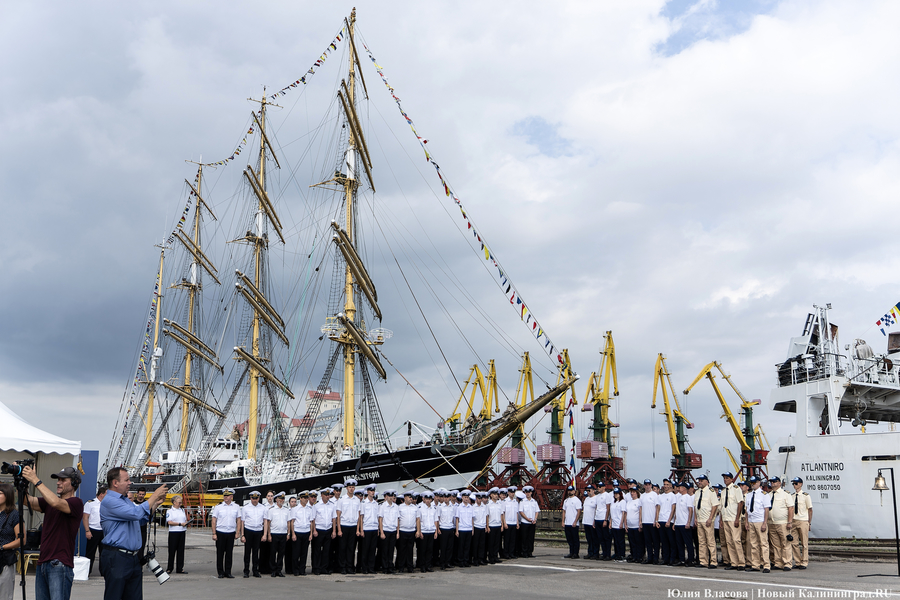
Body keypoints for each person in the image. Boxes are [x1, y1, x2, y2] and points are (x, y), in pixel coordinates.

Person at [99, 467, 167, 600]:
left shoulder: (124, 500)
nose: (130, 482)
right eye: (127, 480)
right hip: (117, 557)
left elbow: (140, 519)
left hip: (132, 558)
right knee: (115, 596)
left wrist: (155, 505)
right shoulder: (110, 501)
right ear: (115, 483)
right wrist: (154, 496)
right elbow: (135, 513)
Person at [21, 465, 84, 600]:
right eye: (58, 480)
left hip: (59, 564)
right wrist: (22, 482)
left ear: (74, 483)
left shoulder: (76, 503)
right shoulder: (50, 502)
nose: (58, 482)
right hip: (42, 562)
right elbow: (26, 501)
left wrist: (35, 480)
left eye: (62, 480)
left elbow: (56, 503)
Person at [211, 488, 241, 579]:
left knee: (229, 553)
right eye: (224, 495)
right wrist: (214, 533)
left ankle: (228, 572)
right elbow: (214, 520)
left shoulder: (236, 507)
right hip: (220, 532)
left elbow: (239, 520)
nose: (225, 497)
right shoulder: (218, 507)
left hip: (231, 532)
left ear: (231, 496)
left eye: (227, 496)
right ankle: (220, 572)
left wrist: (238, 532)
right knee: (220, 553)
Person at [744, 476, 770, 573]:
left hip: (760, 521)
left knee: (763, 543)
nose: (753, 484)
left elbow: (766, 509)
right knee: (753, 544)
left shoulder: (764, 495)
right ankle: (755, 565)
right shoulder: (749, 495)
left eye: (754, 482)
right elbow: (747, 510)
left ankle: (766, 565)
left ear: (759, 483)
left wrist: (764, 523)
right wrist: (746, 522)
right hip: (751, 520)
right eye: (751, 483)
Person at [767, 476, 794, 572]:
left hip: (783, 522)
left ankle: (787, 563)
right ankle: (778, 562)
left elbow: (790, 508)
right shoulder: (769, 495)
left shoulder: (785, 494)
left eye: (774, 482)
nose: (772, 483)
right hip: (771, 522)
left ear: (779, 483)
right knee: (775, 544)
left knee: (785, 543)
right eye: (771, 482)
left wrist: (789, 522)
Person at [0, 483, 22, 600]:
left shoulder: (14, 515)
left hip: (5, 560)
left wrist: (2, 547)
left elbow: (21, 540)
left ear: (8, 496)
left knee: (4, 595)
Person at [720, 473, 745, 571]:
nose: (725, 480)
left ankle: (741, 563)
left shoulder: (736, 489)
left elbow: (740, 503)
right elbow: (722, 506)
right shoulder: (723, 491)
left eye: (727, 478)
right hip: (726, 518)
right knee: (729, 541)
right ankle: (733, 562)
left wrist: (737, 518)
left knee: (736, 541)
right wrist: (721, 519)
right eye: (724, 478)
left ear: (732, 479)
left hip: (733, 518)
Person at [335, 479, 361, 574]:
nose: (351, 489)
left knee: (351, 548)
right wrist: (339, 530)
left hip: (353, 526)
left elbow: (358, 516)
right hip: (344, 525)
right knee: (342, 548)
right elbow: (338, 515)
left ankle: (350, 567)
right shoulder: (342, 500)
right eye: (350, 487)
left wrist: (358, 529)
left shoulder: (357, 500)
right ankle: (342, 567)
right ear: (346, 488)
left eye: (353, 487)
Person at [694, 475, 719, 569]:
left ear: (707, 482)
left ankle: (713, 561)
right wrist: (695, 519)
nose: (699, 482)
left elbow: (715, 506)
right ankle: (703, 561)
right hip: (700, 520)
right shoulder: (697, 492)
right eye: (699, 480)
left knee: (710, 541)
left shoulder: (711, 492)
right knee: (701, 542)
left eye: (701, 480)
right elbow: (695, 507)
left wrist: (710, 518)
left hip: (707, 520)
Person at [239, 490, 266, 577]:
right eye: (253, 498)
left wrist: (264, 534)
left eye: (256, 498)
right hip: (248, 530)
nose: (255, 500)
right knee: (247, 552)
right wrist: (242, 535)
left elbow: (265, 521)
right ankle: (246, 571)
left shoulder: (263, 508)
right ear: (250, 498)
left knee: (256, 552)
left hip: (258, 531)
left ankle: (255, 570)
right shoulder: (245, 508)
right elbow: (242, 522)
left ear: (259, 498)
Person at [82, 486, 107, 577]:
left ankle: (103, 572)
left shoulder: (106, 504)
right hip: (93, 530)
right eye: (106, 494)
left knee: (104, 553)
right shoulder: (90, 503)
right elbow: (85, 518)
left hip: (104, 531)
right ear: (101, 494)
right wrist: (87, 530)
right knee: (90, 553)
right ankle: (87, 572)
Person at [310, 489, 336, 575]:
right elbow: (313, 519)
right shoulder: (316, 506)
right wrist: (314, 530)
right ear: (322, 495)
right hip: (319, 529)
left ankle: (324, 568)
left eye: (328, 495)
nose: (327, 496)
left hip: (328, 529)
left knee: (326, 550)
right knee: (317, 550)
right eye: (326, 495)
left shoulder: (332, 505)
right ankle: (316, 568)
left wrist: (334, 531)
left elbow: (334, 519)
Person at [264, 492, 290, 577]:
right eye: (280, 499)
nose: (282, 500)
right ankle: (273, 570)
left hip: (283, 533)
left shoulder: (286, 510)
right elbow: (268, 523)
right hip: (274, 533)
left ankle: (279, 570)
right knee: (273, 552)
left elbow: (288, 522)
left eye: (283, 499)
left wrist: (288, 533)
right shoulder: (271, 510)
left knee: (281, 553)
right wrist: (269, 534)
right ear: (276, 499)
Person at [790, 477, 812, 570]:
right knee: (794, 543)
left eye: (796, 483)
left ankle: (804, 561)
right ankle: (798, 561)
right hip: (794, 520)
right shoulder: (792, 496)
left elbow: (810, 509)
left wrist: (809, 523)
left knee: (804, 543)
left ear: (801, 484)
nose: (794, 485)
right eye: (793, 483)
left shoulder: (805, 496)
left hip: (803, 520)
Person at [672, 481, 694, 567]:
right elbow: (677, 511)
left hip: (685, 523)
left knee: (688, 543)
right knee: (679, 543)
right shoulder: (678, 497)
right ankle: (681, 559)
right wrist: (674, 523)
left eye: (680, 487)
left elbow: (690, 510)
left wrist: (689, 522)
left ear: (684, 488)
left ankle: (690, 559)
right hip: (678, 523)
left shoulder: (687, 497)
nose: (678, 488)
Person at [164, 495, 188, 574]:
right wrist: (180, 524)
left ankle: (180, 568)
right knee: (172, 550)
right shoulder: (170, 511)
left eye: (181, 502)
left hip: (182, 531)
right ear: (174, 502)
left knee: (181, 550)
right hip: (174, 532)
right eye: (179, 502)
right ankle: (170, 568)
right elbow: (169, 522)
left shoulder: (182, 510)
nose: (180, 504)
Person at [378, 490, 399, 574]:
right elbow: (380, 519)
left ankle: (390, 567)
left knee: (391, 550)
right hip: (386, 530)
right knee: (384, 550)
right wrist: (381, 532)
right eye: (389, 496)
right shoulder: (382, 506)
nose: (391, 498)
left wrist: (397, 532)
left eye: (392, 496)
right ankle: (385, 567)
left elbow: (397, 519)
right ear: (386, 497)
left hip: (393, 530)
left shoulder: (396, 506)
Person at [657, 479, 676, 565]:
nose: (666, 486)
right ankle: (665, 559)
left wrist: (669, 521)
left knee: (671, 541)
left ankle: (672, 559)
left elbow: (673, 509)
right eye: (664, 484)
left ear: (670, 485)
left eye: (667, 484)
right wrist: (657, 520)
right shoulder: (660, 496)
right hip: (661, 520)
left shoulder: (673, 496)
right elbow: (658, 509)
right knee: (664, 542)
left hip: (668, 521)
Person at [640, 479, 660, 565]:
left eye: (649, 484)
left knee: (655, 541)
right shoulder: (642, 496)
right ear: (644, 486)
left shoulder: (654, 495)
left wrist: (656, 520)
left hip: (652, 521)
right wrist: (640, 521)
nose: (647, 486)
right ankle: (650, 557)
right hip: (645, 521)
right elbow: (640, 508)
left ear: (651, 485)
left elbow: (657, 508)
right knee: (647, 541)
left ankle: (656, 558)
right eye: (646, 485)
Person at [561, 485, 582, 559]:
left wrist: (575, 521)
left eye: (571, 491)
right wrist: (563, 521)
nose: (570, 492)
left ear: (574, 491)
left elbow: (579, 511)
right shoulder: (566, 500)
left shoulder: (577, 500)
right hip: (567, 523)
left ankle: (576, 553)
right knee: (569, 539)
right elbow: (564, 511)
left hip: (574, 523)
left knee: (575, 539)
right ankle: (571, 552)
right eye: (568, 491)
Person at [518, 486, 539, 559]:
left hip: (532, 522)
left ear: (531, 493)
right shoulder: (522, 502)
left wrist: (535, 519)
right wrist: (527, 519)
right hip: (525, 522)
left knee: (531, 538)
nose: (528, 494)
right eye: (526, 492)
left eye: (529, 492)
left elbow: (537, 511)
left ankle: (530, 552)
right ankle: (524, 552)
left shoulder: (534, 501)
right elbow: (521, 512)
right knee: (524, 538)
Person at [625, 487, 643, 562]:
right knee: (632, 542)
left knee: (638, 542)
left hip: (636, 525)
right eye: (631, 492)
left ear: (637, 493)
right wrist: (625, 524)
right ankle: (634, 556)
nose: (632, 494)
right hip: (630, 525)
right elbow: (626, 513)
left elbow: (640, 512)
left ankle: (639, 557)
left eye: (634, 492)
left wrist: (640, 522)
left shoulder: (639, 501)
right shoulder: (629, 502)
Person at [610, 488, 627, 561]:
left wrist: (621, 523)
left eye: (617, 493)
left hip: (619, 524)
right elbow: (611, 514)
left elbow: (623, 513)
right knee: (616, 541)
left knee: (620, 541)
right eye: (615, 493)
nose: (616, 495)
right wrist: (610, 522)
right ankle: (617, 554)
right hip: (614, 524)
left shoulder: (622, 502)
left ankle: (622, 554)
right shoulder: (613, 503)